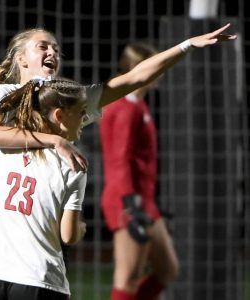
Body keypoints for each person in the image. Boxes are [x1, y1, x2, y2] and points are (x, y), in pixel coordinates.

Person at [0, 24, 236, 299]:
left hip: (36, 241)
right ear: (20, 58)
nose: (52, 52)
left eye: (56, 49)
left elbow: (135, 78)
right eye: (43, 46)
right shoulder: (6, 95)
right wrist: (55, 141)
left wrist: (186, 45)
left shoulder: (73, 102)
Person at [0, 79, 88, 300]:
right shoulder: (73, 164)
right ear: (59, 115)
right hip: (40, 278)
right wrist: (81, 229)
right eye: (81, 112)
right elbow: (68, 235)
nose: (85, 119)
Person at [100, 42, 178, 300]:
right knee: (127, 277)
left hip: (144, 201)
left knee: (167, 269)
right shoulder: (124, 106)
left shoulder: (138, 105)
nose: (161, 70)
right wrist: (129, 205)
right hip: (127, 200)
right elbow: (119, 160)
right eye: (156, 64)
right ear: (140, 68)